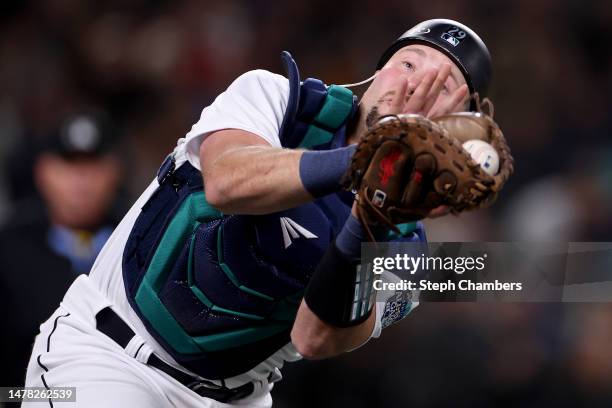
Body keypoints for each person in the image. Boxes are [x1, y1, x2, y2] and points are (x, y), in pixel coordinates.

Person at [23, 19, 492, 407]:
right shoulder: (279, 99)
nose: (417, 86)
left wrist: (373, 216)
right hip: (109, 357)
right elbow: (228, 182)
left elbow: (316, 338)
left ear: (458, 122)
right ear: (377, 70)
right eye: (408, 63)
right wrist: (363, 160)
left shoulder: (409, 250)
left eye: (444, 85)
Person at [0, 111, 124, 389]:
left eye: (93, 165)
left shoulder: (137, 244)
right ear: (43, 172)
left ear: (114, 171)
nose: (81, 182)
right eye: (69, 165)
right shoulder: (9, 252)